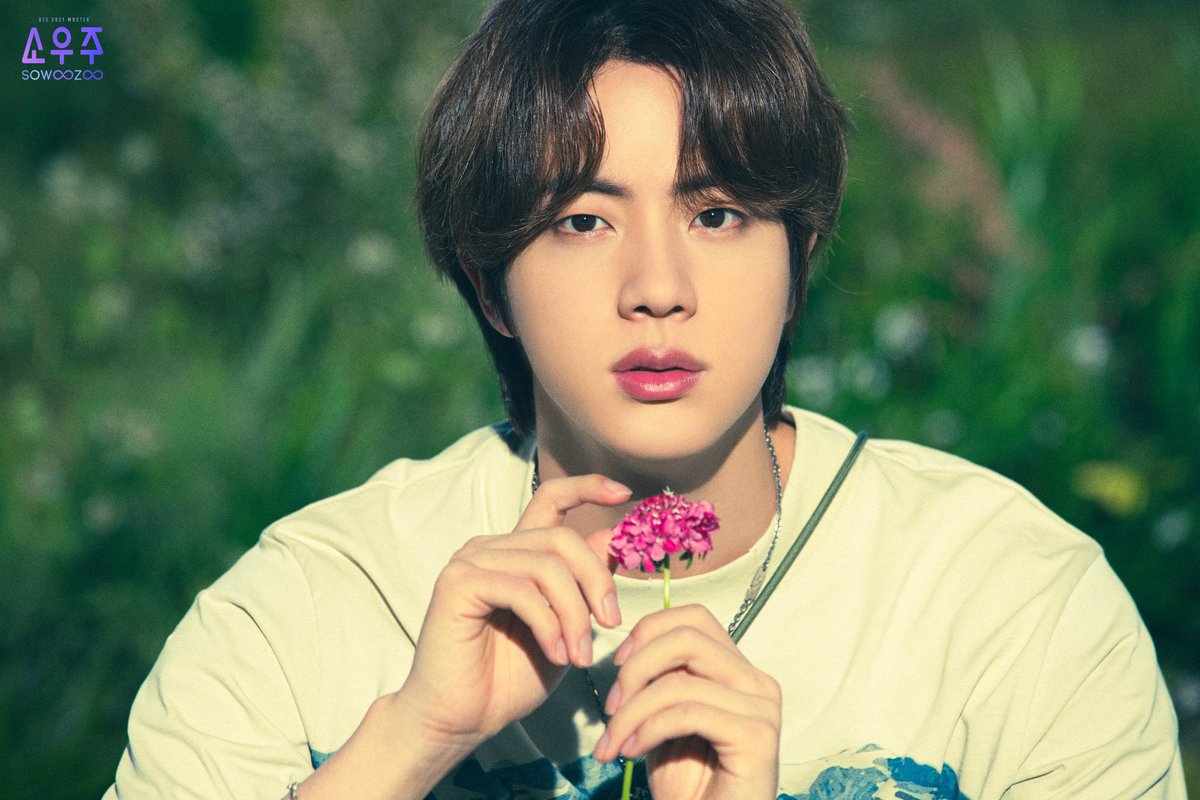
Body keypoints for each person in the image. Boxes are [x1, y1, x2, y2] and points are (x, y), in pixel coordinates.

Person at [106, 0, 1187, 798]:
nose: (658, 288)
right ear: (487, 282)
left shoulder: (1015, 610)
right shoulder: (300, 613)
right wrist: (405, 743)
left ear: (800, 257)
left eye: (717, 215)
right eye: (583, 220)